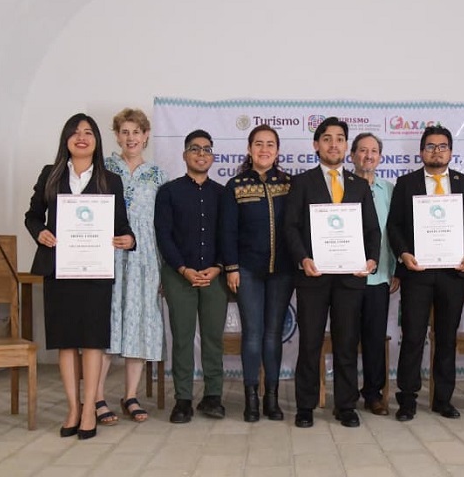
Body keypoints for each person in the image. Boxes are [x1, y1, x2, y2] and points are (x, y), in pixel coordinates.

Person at [24, 113, 136, 440]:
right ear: (66, 139)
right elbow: (32, 215)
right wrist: (40, 232)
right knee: (66, 340)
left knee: (92, 340)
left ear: (97, 140)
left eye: (88, 132)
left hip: (95, 270)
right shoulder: (50, 174)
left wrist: (128, 240)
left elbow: (122, 226)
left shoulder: (110, 179)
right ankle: (73, 408)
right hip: (59, 268)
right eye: (75, 132)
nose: (81, 137)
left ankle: (89, 411)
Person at [283, 117, 380, 428]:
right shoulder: (301, 182)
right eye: (327, 138)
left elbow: (372, 230)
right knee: (310, 343)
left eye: (339, 139)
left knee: (347, 343)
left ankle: (346, 405)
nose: (333, 144)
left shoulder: (359, 185)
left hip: (350, 278)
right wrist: (302, 258)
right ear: (316, 145)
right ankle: (305, 406)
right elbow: (291, 227)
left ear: (346, 146)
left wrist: (372, 260)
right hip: (313, 276)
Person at [388, 125, 464, 421]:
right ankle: (407, 399)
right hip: (417, 272)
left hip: (453, 274)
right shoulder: (406, 183)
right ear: (421, 151)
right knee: (413, 336)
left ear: (451, 152)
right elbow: (394, 226)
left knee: (446, 338)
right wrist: (403, 254)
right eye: (430, 146)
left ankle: (443, 399)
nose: (436, 151)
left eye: (442, 146)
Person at [93, 108, 167, 425]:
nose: (131, 137)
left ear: (146, 135)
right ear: (117, 136)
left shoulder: (157, 175)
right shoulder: (103, 169)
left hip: (145, 259)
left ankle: (130, 396)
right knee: (106, 325)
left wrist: (163, 266)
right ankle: (96, 397)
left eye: (136, 132)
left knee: (139, 323)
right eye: (125, 132)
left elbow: (162, 224)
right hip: (109, 255)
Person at [220, 125, 294, 422]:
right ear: (249, 149)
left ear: (278, 150)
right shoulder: (235, 185)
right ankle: (251, 399)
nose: (265, 149)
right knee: (252, 334)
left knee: (273, 334)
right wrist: (231, 267)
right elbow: (227, 231)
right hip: (247, 271)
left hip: (283, 271)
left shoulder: (289, 184)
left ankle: (271, 398)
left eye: (270, 144)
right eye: (259, 144)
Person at [154, 129, 228, 423]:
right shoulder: (169, 192)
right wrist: (183, 269)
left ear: (212, 156)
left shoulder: (222, 193)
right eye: (195, 149)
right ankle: (183, 399)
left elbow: (228, 234)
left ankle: (213, 397)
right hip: (178, 275)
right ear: (185, 155)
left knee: (213, 338)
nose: (201, 154)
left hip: (214, 276)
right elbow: (164, 235)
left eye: (207, 149)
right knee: (182, 338)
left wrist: (218, 266)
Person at [349, 132, 397, 416]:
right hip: (345, 277)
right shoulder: (341, 186)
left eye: (374, 151)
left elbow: (395, 233)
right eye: (362, 150)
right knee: (346, 338)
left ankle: (373, 394)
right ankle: (346, 393)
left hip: (378, 277)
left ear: (380, 157)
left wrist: (395, 270)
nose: (368, 156)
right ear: (352, 155)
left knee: (375, 338)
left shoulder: (389, 190)